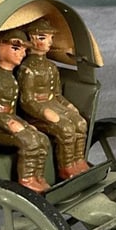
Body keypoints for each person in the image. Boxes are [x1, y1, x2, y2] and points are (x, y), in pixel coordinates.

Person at [0, 28, 51, 193]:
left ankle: (38, 177)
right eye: (16, 48)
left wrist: (24, 124)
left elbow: (11, 111)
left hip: (8, 123)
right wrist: (10, 124)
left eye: (24, 50)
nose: (22, 54)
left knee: (42, 139)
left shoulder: (11, 77)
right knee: (29, 140)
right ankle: (26, 180)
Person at [18, 17, 90, 179]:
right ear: (32, 39)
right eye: (43, 38)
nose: (49, 42)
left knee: (80, 123)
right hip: (36, 113)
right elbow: (27, 101)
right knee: (66, 128)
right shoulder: (27, 68)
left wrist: (68, 106)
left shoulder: (51, 67)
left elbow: (56, 94)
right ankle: (66, 166)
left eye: (51, 38)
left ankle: (78, 161)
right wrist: (44, 112)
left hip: (54, 105)